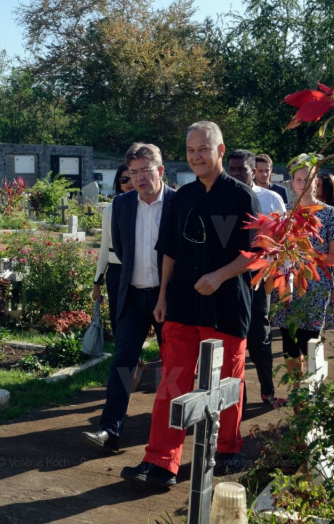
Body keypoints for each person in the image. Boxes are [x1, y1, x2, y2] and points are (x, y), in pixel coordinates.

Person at [120, 121, 260, 487]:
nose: (196, 156)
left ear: (220, 150)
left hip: (227, 305)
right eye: (190, 151)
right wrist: (163, 296)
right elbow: (169, 249)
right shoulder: (181, 197)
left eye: (203, 148)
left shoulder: (243, 197)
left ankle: (227, 450)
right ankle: (161, 462)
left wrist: (219, 276)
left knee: (229, 381)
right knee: (172, 382)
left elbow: (254, 252)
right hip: (182, 304)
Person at [82, 144, 175, 453]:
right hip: (131, 297)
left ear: (160, 171)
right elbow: (119, 248)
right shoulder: (121, 205)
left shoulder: (178, 202)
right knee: (123, 363)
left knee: (171, 365)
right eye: (133, 172)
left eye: (145, 171)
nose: (138, 178)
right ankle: (110, 429)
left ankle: (169, 430)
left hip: (168, 298)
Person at [271, 161, 334, 392]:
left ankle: (312, 389)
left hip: (316, 285)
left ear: (317, 183)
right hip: (287, 285)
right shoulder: (284, 213)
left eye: (308, 179)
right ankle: (296, 388)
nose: (303, 184)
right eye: (298, 179)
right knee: (289, 339)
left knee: (310, 339)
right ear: (292, 183)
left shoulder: (328, 213)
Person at [226, 149, 286, 406]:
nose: (237, 173)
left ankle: (267, 390)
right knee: (232, 337)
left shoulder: (271, 199)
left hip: (259, 276)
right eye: (233, 169)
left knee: (259, 336)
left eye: (242, 169)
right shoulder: (222, 195)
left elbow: (283, 240)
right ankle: (236, 396)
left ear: (254, 170)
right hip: (228, 277)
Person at [92, 164, 134, 333]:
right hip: (117, 271)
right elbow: (104, 247)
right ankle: (125, 356)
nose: (129, 182)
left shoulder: (147, 208)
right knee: (118, 316)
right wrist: (97, 282)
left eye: (132, 177)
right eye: (124, 179)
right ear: (119, 183)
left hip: (140, 271)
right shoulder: (110, 210)